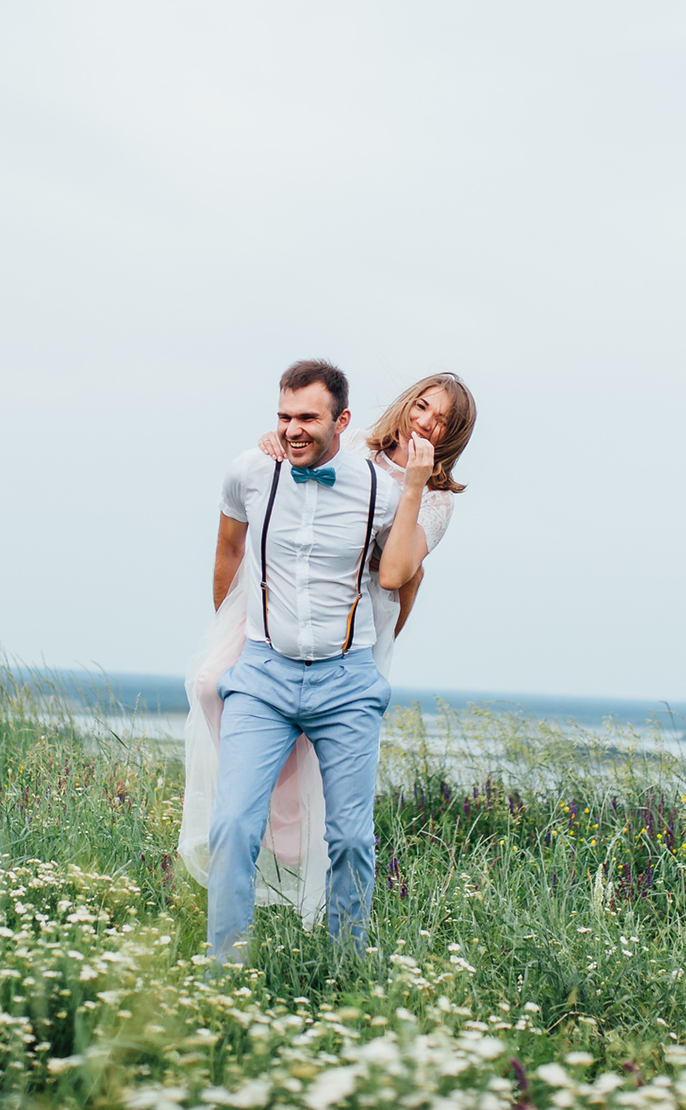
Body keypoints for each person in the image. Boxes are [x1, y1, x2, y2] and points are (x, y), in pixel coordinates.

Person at [180, 367, 477, 956]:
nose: (424, 422)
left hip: (358, 640)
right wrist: (283, 439)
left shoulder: (422, 497)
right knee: (216, 709)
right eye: (421, 406)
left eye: (440, 420)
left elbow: (396, 578)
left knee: (349, 834)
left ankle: (344, 964)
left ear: (451, 436)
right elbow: (303, 439)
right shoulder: (344, 443)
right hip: (273, 646)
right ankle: (224, 964)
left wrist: (415, 484)